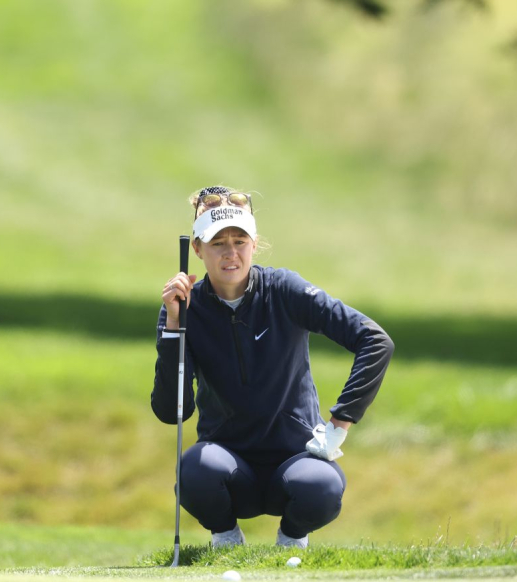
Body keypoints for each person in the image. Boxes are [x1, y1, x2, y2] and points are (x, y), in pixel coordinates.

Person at [152, 186, 394, 549]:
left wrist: (340, 424)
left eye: (239, 241)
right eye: (218, 243)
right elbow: (173, 412)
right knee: (194, 473)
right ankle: (227, 541)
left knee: (322, 488)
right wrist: (174, 328)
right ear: (198, 249)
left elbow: (375, 341)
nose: (230, 253)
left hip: (298, 458)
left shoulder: (284, 290)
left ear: (254, 243)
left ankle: (291, 541)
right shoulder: (184, 309)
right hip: (227, 464)